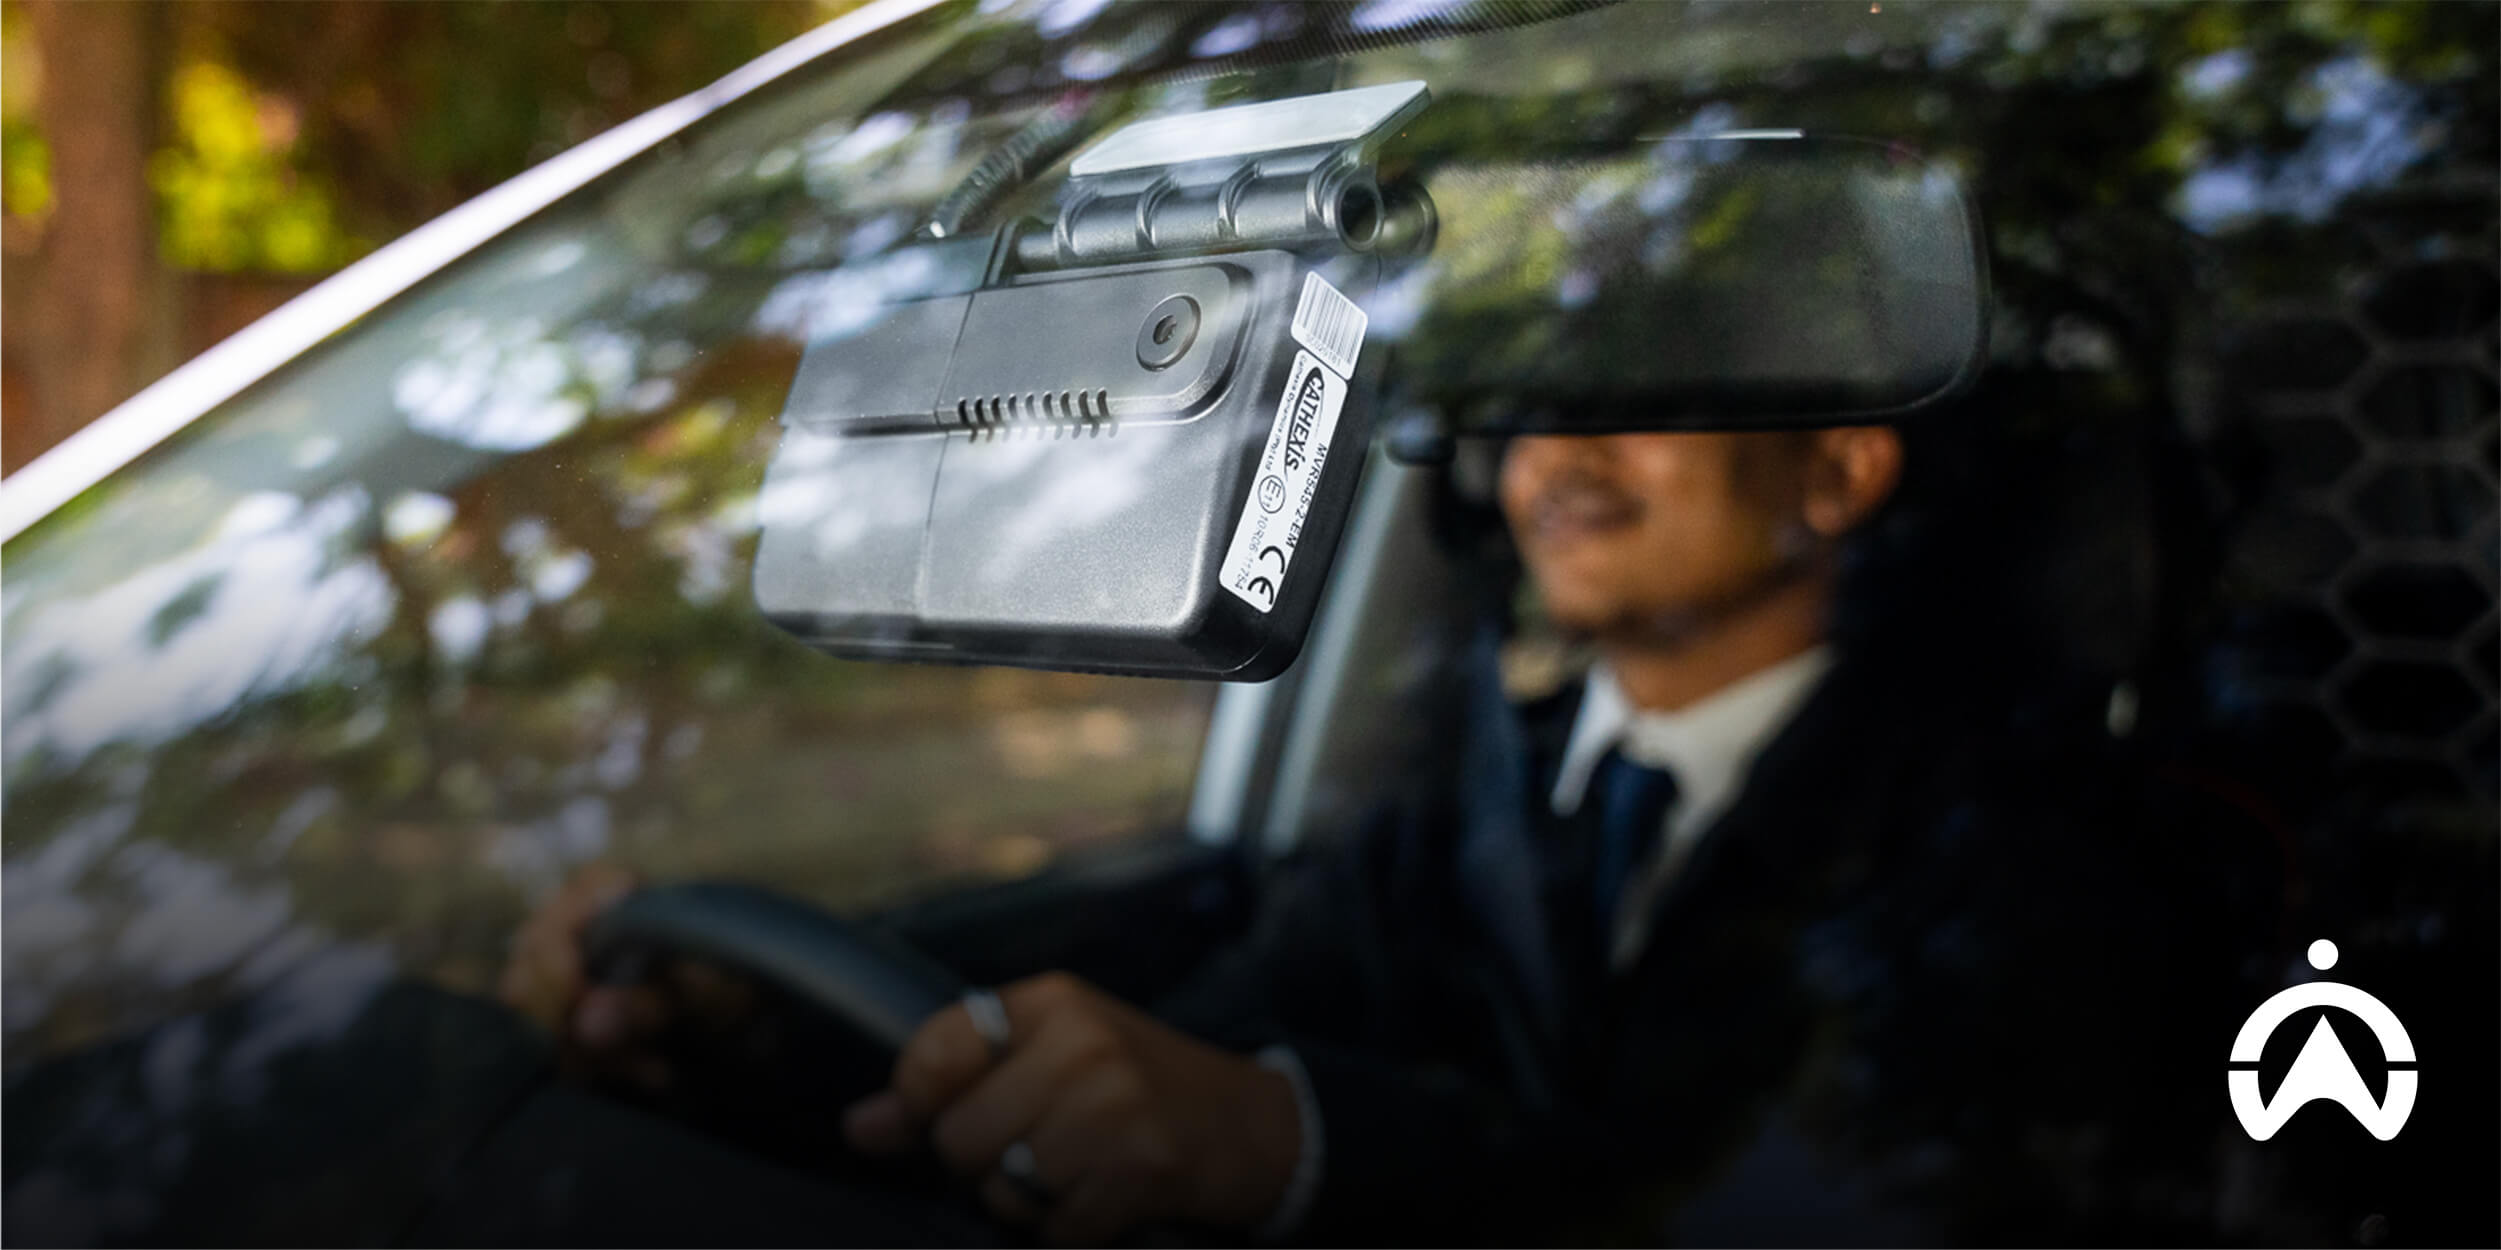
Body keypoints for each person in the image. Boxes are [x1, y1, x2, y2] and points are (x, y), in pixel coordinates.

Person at [505, 428, 2271, 1245]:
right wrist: (749, 1044)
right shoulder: (1462, 802)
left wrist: (1289, 1144)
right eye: (1534, 403)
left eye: (1648, 389)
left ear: (1834, 471)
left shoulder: (2023, 857)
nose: (1554, 455)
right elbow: (1199, 1019)